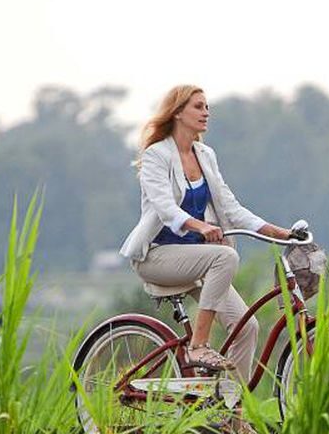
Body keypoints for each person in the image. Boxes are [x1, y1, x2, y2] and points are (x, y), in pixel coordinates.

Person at [119, 85, 298, 378]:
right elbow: (165, 207)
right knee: (224, 257)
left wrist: (282, 233)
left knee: (246, 327)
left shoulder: (205, 155)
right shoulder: (156, 155)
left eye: (207, 107)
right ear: (177, 113)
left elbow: (230, 208)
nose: (206, 112)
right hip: (156, 257)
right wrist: (200, 225)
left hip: (196, 259)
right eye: (198, 107)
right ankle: (198, 345)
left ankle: (232, 416)